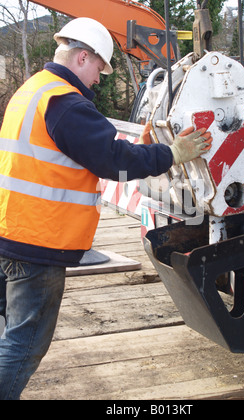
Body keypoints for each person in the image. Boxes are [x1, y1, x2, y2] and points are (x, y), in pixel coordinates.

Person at [0, 17, 212, 400]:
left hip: (10, 231)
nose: (99, 78)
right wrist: (171, 153)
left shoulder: (32, 91)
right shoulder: (65, 101)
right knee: (24, 343)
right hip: (36, 241)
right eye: (99, 68)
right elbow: (111, 158)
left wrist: (147, 147)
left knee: (6, 332)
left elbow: (76, 151)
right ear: (83, 57)